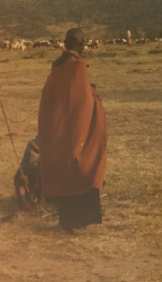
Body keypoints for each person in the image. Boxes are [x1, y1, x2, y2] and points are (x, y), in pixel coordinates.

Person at [37, 28, 108, 234]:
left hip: (56, 128)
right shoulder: (77, 66)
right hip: (73, 128)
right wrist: (94, 95)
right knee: (80, 164)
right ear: (81, 44)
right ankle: (76, 221)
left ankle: (67, 221)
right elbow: (82, 101)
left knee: (64, 169)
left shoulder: (57, 64)